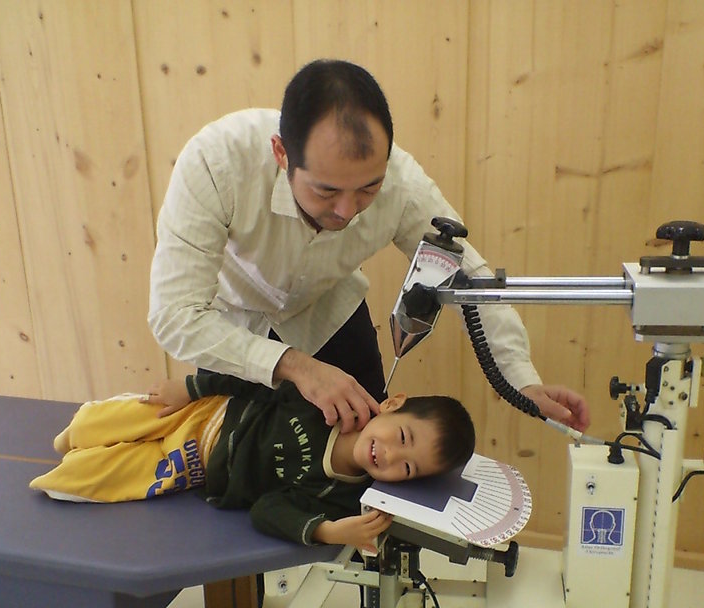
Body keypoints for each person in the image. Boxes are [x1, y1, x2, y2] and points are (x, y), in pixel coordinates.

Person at [148, 58, 590, 437]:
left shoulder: (402, 184)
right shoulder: (216, 162)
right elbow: (174, 315)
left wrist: (521, 381)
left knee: (363, 469)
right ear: (281, 154)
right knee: (233, 471)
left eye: (367, 189)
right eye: (326, 191)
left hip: (330, 316)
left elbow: (469, 279)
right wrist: (298, 366)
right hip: (231, 330)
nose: (346, 211)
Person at [29, 373, 476, 552]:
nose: (391, 456)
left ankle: (65, 475)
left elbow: (266, 510)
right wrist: (192, 386)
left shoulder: (339, 495)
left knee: (101, 480)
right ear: (393, 404)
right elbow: (254, 377)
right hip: (205, 413)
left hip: (195, 468)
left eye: (407, 469)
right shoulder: (328, 400)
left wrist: (327, 531)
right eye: (402, 438)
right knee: (120, 419)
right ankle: (78, 431)